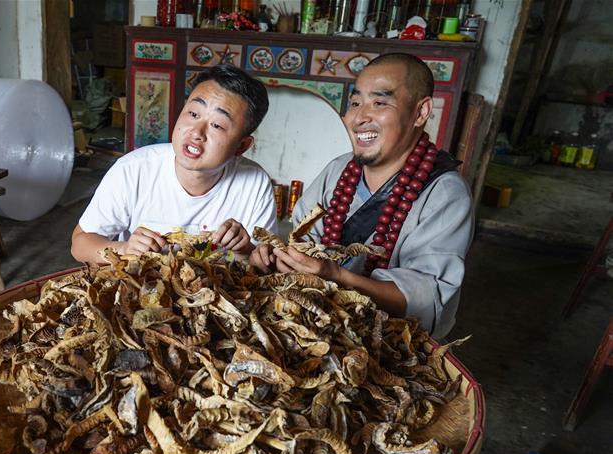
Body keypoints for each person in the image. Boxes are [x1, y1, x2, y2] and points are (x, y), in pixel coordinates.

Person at [250, 53, 474, 339]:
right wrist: (278, 259)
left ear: (420, 112)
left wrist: (337, 276)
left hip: (392, 341)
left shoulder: (445, 194)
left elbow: (426, 300)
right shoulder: (338, 171)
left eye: (379, 103)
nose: (359, 117)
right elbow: (305, 244)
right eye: (355, 103)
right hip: (319, 326)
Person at [71, 64, 277, 264]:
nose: (196, 133)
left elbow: (263, 265)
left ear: (241, 146)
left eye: (217, 125)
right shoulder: (134, 169)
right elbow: (80, 244)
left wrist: (245, 250)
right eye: (194, 114)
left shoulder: (254, 183)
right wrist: (124, 249)